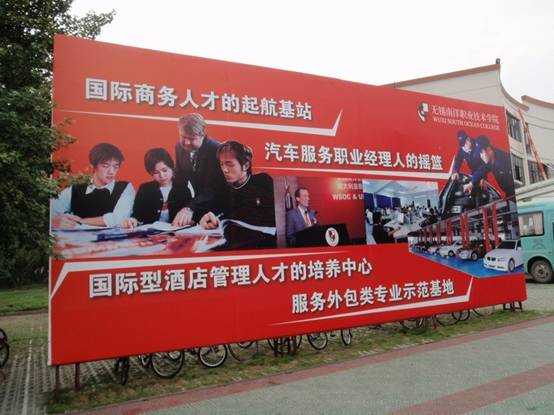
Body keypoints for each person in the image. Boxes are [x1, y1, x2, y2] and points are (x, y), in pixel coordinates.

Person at [198, 141, 276, 249]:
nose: (224, 170)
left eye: (229, 164)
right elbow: (214, 213)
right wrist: (207, 219)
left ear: (246, 165)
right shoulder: (222, 190)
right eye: (222, 164)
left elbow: (272, 219)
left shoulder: (263, 181)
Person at [52, 143, 135, 229]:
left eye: (115, 167)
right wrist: (56, 221)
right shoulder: (75, 188)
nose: (111, 171)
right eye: (105, 166)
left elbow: (118, 219)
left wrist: (80, 221)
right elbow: (52, 211)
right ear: (93, 166)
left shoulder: (125, 188)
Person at [172, 113, 227, 226]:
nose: (186, 143)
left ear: (203, 135)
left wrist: (189, 208)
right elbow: (179, 182)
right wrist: (179, 212)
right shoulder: (179, 147)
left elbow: (213, 189)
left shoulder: (216, 150)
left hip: (218, 208)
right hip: (197, 206)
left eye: (192, 138)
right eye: (183, 137)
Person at [121, 148, 192, 228]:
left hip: (175, 232)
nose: (162, 176)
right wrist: (132, 220)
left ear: (172, 167)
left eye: (165, 170)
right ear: (151, 173)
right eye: (156, 172)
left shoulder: (183, 189)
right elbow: (137, 215)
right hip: (149, 233)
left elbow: (189, 214)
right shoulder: (145, 189)